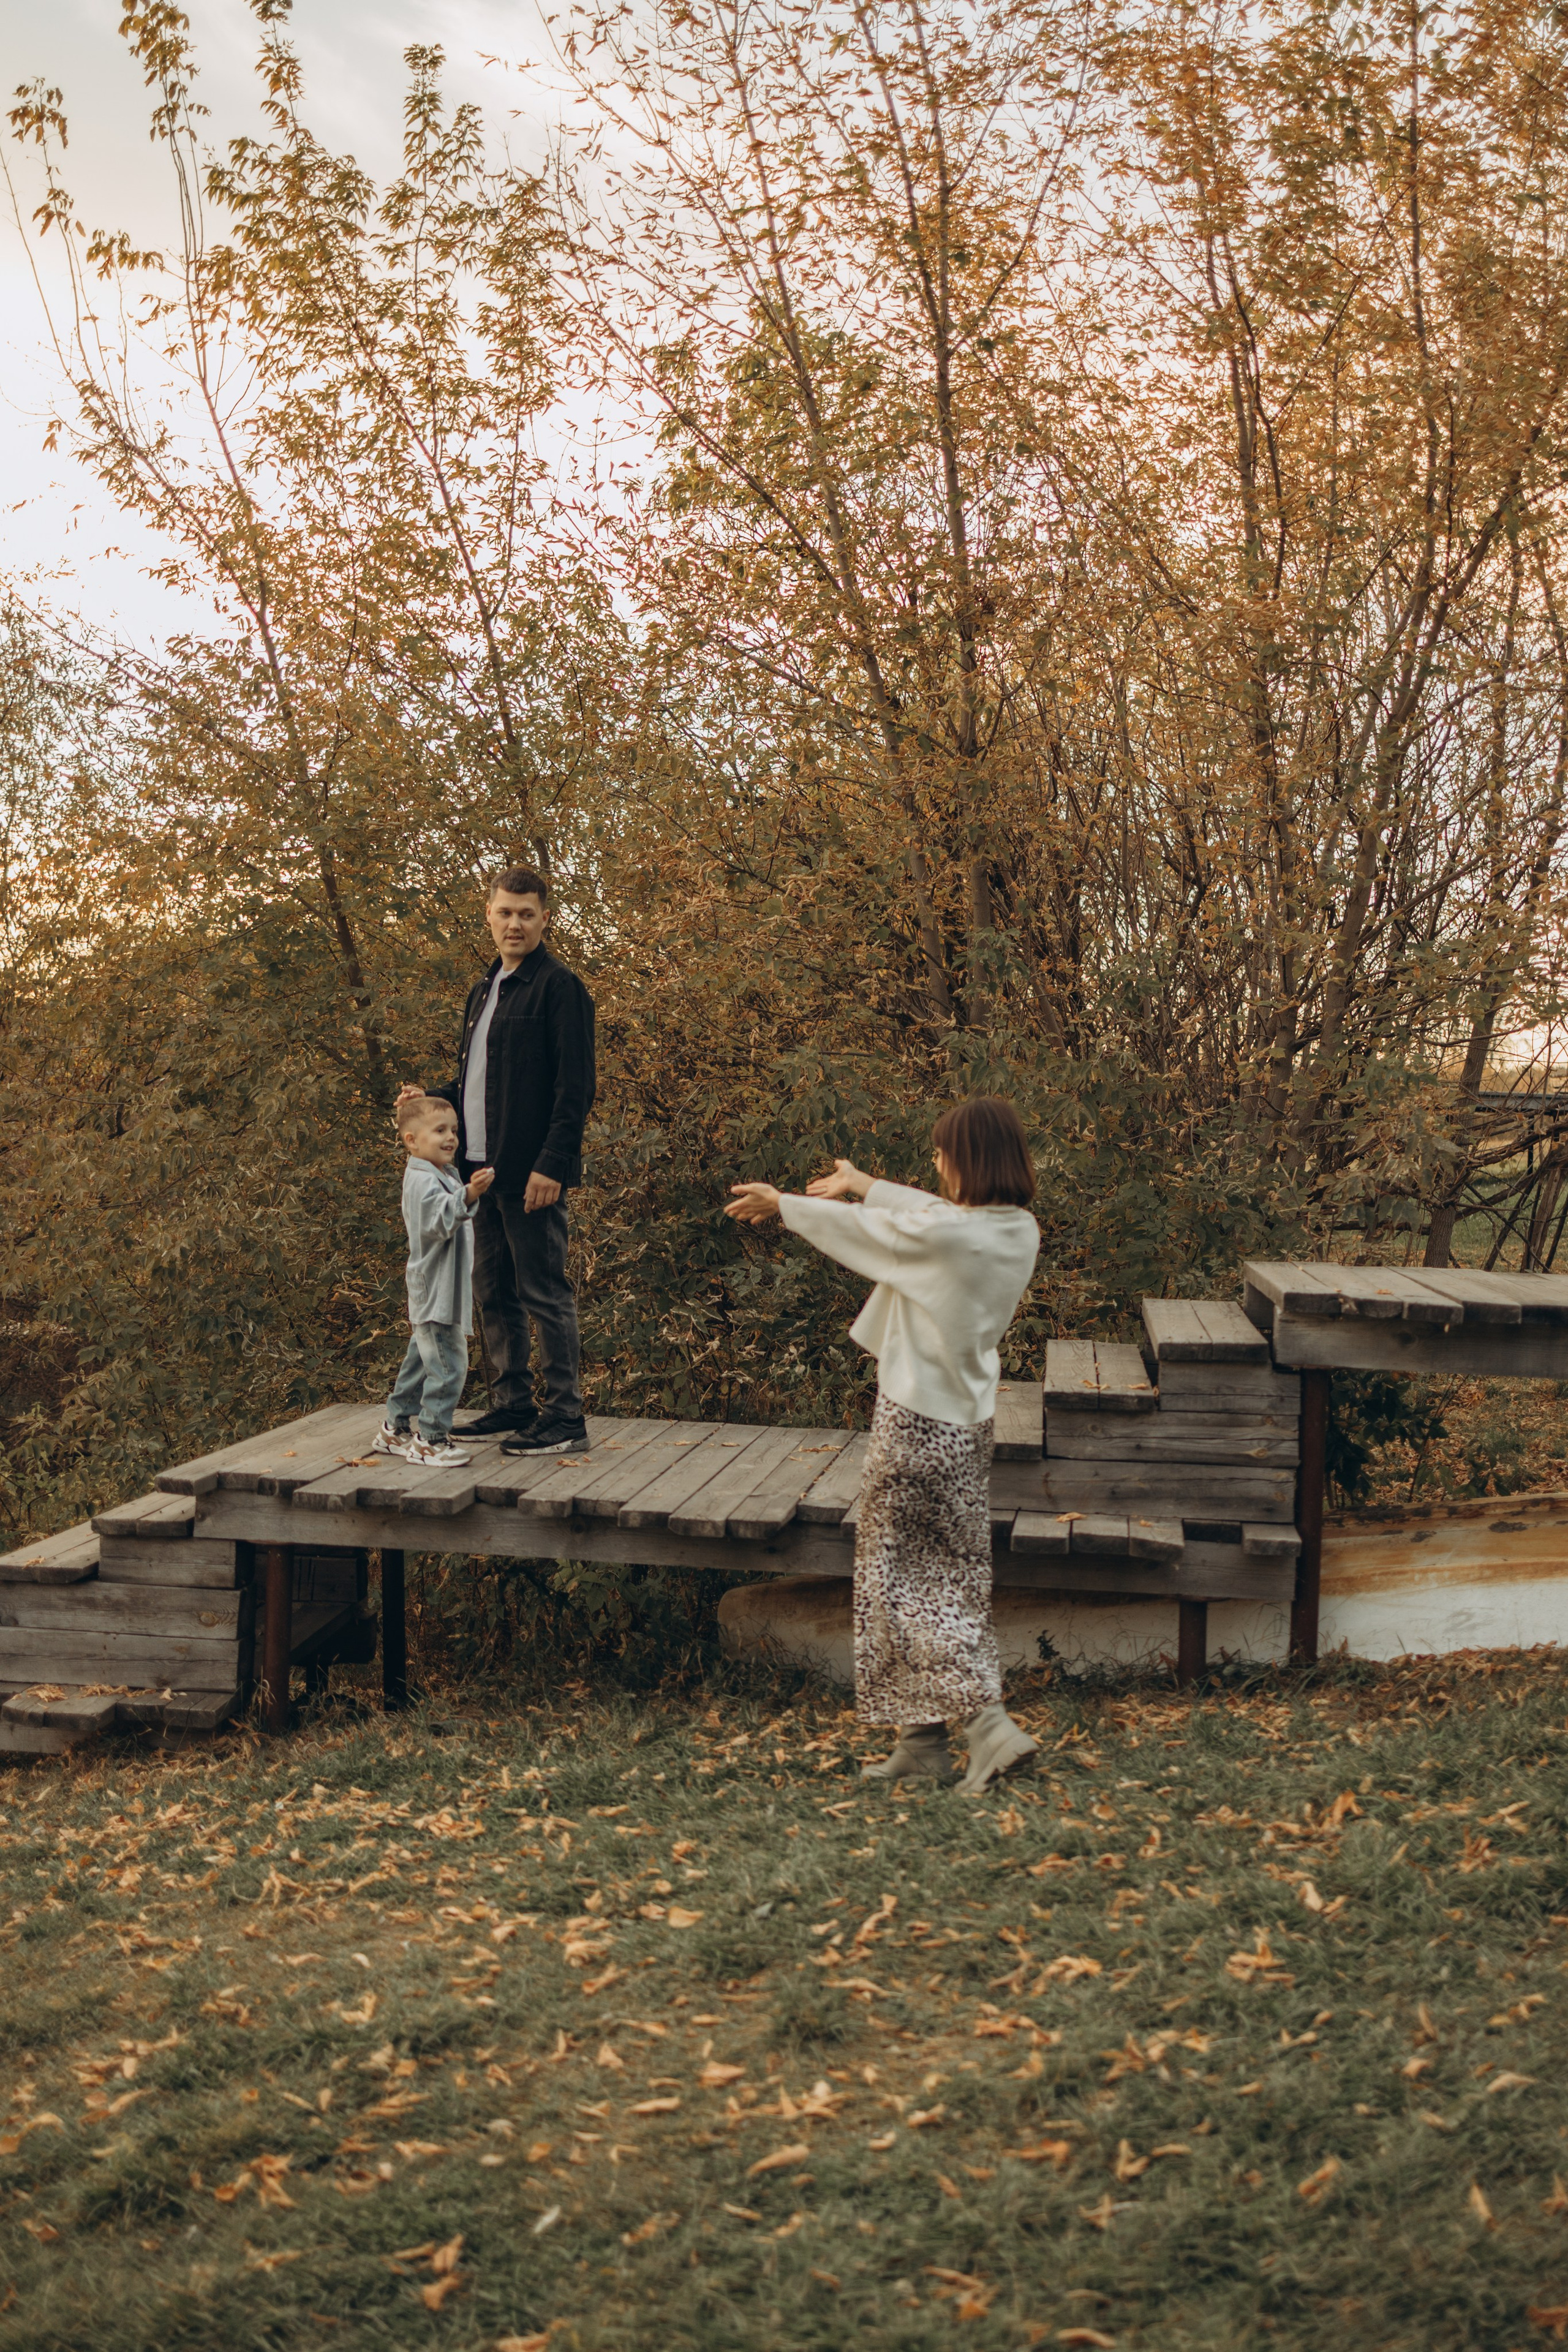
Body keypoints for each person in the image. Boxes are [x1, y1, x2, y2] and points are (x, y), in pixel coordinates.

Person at [725, 1097, 1042, 1795]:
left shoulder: (951, 1238)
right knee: (938, 1576)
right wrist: (863, 1182)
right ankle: (920, 1743)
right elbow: (926, 1213)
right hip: (964, 1428)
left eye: (942, 1151)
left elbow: (875, 1233)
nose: (936, 1162)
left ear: (968, 1158)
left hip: (917, 1428)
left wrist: (785, 1205)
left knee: (908, 1585)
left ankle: (990, 1730)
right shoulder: (1013, 1229)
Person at [396, 865, 597, 1458]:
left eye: (526, 914)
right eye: (505, 912)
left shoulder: (559, 988)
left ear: (544, 919)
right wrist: (429, 1098)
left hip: (531, 1172)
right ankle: (514, 1403)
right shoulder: (485, 989)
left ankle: (566, 1418)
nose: (515, 924)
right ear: (489, 915)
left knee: (544, 1292)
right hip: (476, 1176)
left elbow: (575, 1088)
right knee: (492, 1293)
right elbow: (476, 1086)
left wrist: (552, 1163)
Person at [373, 1095, 495, 1466]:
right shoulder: (422, 1181)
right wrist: (470, 1194)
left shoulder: (441, 1172)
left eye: (454, 1130)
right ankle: (430, 1439)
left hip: (439, 1286)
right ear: (412, 1141)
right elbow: (437, 1220)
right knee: (448, 1365)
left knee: (422, 1361)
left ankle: (394, 1428)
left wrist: (466, 1189)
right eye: (440, 1130)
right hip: (435, 1288)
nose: (451, 1138)